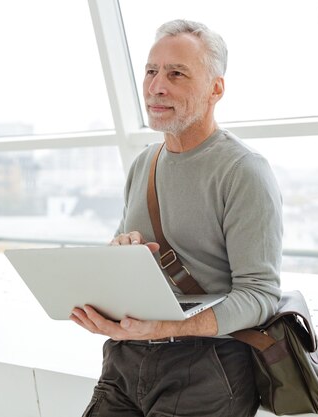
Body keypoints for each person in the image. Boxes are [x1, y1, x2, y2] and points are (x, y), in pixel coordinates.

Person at [70, 19, 283, 417]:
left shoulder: (243, 171)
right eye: (151, 71)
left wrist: (165, 329)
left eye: (176, 73)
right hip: (124, 361)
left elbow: (260, 295)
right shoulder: (143, 164)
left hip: (206, 370)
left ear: (215, 88)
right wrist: (120, 260)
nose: (156, 87)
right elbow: (121, 254)